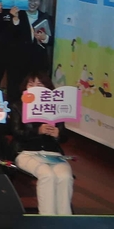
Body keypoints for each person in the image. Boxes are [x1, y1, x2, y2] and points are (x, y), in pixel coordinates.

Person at [9, 71, 73, 215]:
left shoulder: (56, 106)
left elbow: (64, 137)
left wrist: (57, 134)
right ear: (25, 87)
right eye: (31, 84)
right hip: (25, 152)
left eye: (39, 84)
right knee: (47, 175)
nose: (35, 88)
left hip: (52, 153)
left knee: (65, 177)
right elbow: (16, 132)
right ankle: (47, 217)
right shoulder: (18, 106)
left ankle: (65, 218)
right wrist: (37, 131)